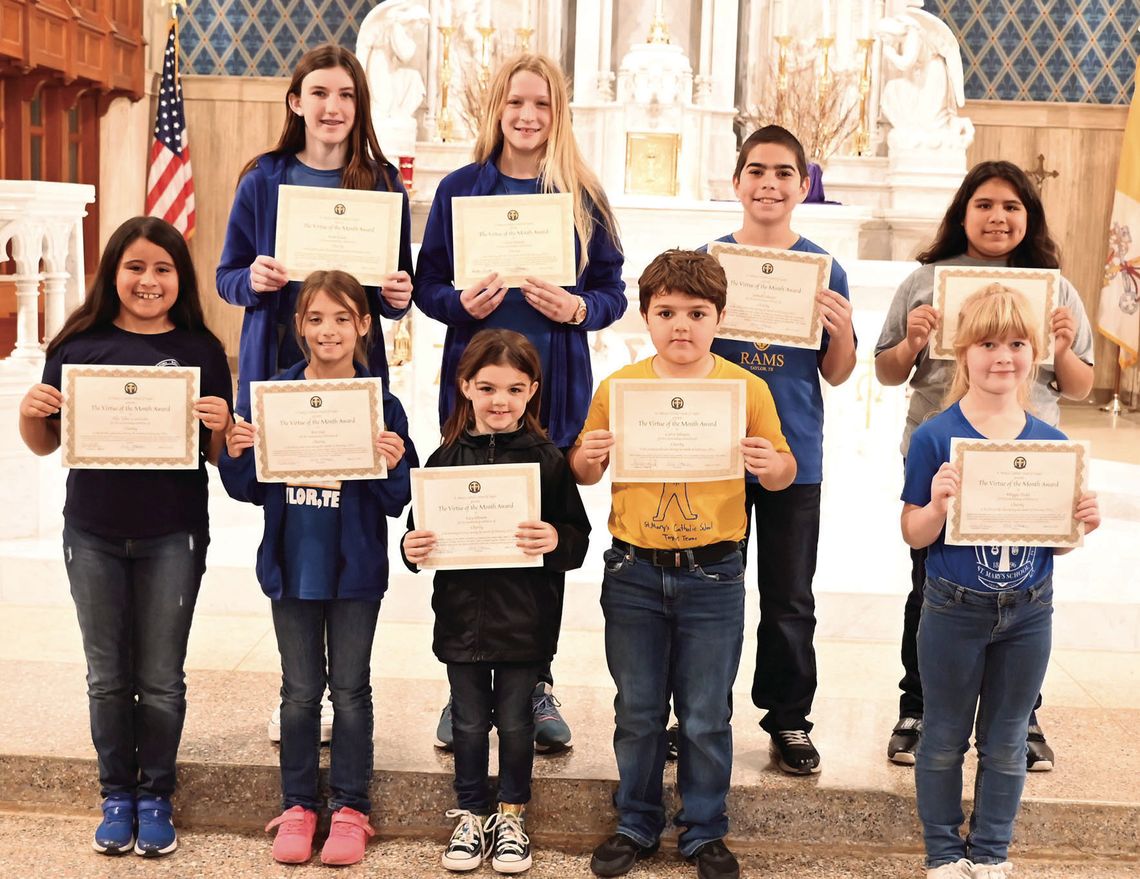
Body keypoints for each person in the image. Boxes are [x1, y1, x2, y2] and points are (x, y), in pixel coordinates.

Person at [414, 52, 625, 752]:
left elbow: (613, 294)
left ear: (556, 113)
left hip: (553, 389)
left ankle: (535, 682)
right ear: (496, 110)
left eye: (540, 104)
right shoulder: (460, 189)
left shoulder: (582, 195)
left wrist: (576, 307)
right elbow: (428, 283)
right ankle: (463, 684)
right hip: (476, 388)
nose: (527, 116)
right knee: (471, 520)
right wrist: (454, 302)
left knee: (540, 533)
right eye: (515, 103)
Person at [570, 250, 797, 879]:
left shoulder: (745, 389)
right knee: (638, 709)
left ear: (719, 318)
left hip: (713, 574)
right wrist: (587, 455)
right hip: (635, 570)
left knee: (704, 713)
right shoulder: (619, 389)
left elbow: (784, 473)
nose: (681, 326)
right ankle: (636, 821)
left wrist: (767, 464)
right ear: (645, 316)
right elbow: (585, 472)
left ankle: (703, 830)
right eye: (666, 312)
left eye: (697, 314)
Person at [18, 216, 233, 858]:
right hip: (93, 532)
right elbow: (45, 443)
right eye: (135, 267)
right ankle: (117, 794)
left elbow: (221, 457)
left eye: (162, 268)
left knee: (162, 676)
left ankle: (157, 794)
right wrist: (31, 415)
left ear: (180, 278)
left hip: (174, 533)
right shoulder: (79, 344)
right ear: (113, 273)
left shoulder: (201, 349)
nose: (148, 280)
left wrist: (222, 425)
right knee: (108, 675)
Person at [875, 160, 1095, 768]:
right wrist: (914, 341)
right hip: (943, 451)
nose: (998, 218)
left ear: (1029, 218)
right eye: (984, 205)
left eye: (1011, 207)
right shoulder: (925, 281)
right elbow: (886, 371)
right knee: (930, 585)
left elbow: (1078, 385)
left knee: (1026, 589)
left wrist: (1057, 343)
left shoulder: (1054, 288)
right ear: (962, 213)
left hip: (1027, 462)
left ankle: (1022, 718)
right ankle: (917, 707)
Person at [900, 283, 1099, 878]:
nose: (1002, 356)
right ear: (963, 352)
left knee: (1008, 739)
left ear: (1034, 352)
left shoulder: (1052, 443)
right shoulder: (936, 436)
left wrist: (1080, 524)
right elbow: (913, 532)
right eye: (988, 343)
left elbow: (1057, 544)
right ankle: (942, 852)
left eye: (1016, 343)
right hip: (953, 607)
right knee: (942, 735)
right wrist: (935, 505)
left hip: (1029, 610)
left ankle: (990, 853)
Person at [220, 270, 415, 867]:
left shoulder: (383, 403)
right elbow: (248, 489)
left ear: (363, 325)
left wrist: (392, 461)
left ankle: (352, 807)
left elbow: (395, 501)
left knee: (351, 690)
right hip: (291, 564)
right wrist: (234, 453)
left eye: (341, 318)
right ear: (298, 326)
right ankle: (299, 804)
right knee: (299, 692)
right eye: (314, 318)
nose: (327, 330)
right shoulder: (271, 395)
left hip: (355, 569)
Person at [402, 328, 590, 874]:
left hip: (524, 623)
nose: (499, 401)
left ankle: (511, 815)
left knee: (514, 723)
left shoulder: (547, 460)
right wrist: (411, 548)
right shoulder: (443, 460)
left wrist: (555, 539)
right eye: (487, 388)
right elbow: (420, 538)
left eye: (513, 389)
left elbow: (576, 538)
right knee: (465, 722)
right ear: (464, 387)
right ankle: (470, 813)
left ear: (532, 390)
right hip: (461, 622)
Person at [705, 125, 856, 774]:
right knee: (708, 590)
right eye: (757, 171)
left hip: (796, 454)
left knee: (790, 594)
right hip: (713, 453)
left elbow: (838, 371)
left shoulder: (824, 270)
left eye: (784, 173)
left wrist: (842, 330)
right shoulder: (708, 263)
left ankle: (789, 718)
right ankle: (701, 711)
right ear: (736, 181)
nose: (769, 183)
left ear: (803, 184)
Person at [216, 43, 414, 419]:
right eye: (319, 93)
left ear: (359, 106)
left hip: (354, 362)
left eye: (346, 95)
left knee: (349, 472)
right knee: (272, 474)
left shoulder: (383, 184)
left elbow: (393, 297)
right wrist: (252, 279)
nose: (332, 108)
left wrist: (398, 295)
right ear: (296, 102)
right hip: (275, 359)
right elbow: (226, 279)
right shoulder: (262, 180)